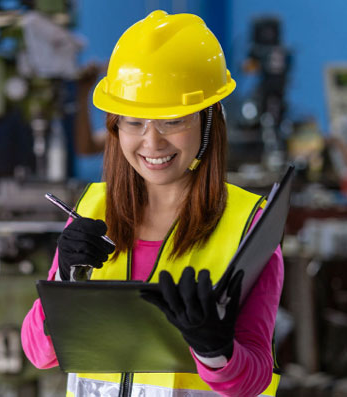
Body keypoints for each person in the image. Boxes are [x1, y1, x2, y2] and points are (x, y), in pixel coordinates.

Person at [22, 10, 283, 397]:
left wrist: (216, 351)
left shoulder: (248, 226)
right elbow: (40, 353)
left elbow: (254, 380)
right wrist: (63, 281)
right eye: (133, 121)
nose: (152, 142)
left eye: (173, 120)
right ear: (114, 125)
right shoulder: (93, 210)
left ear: (208, 120)